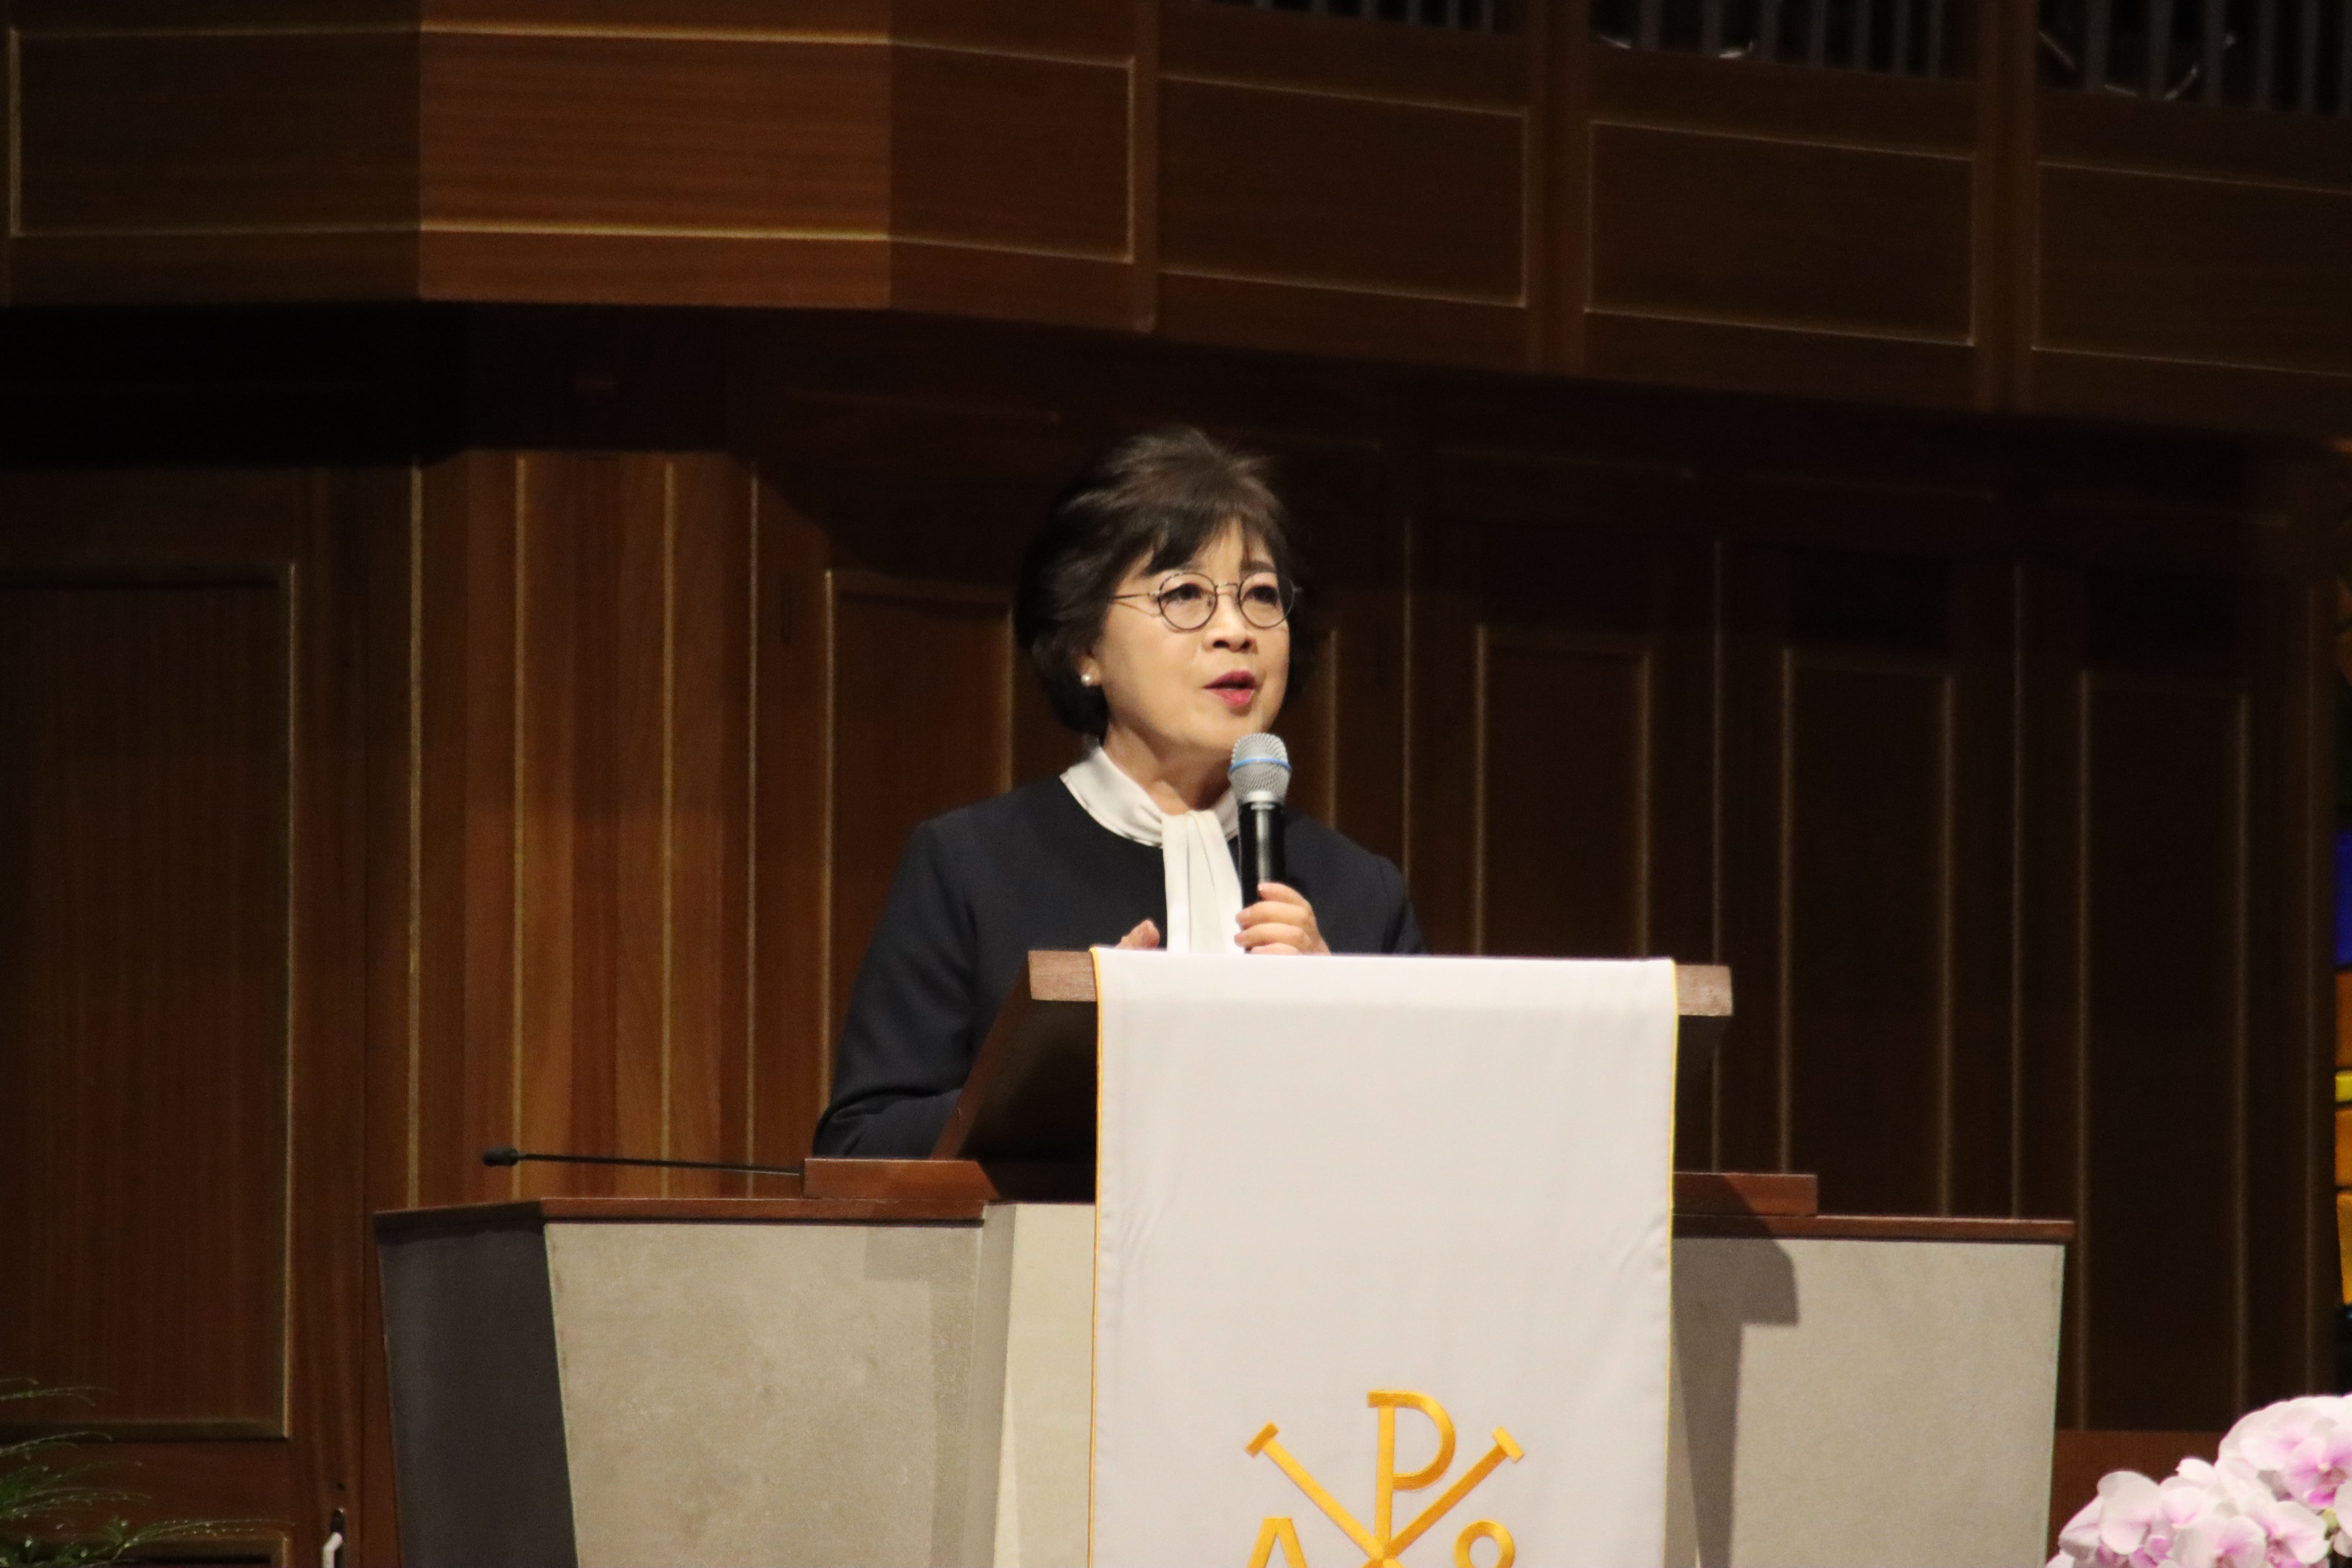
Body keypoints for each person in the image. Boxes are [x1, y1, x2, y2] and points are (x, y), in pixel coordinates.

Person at [811, 426, 1426, 1157]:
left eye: (1261, 595)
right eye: (1185, 595)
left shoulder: (1361, 893)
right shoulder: (970, 865)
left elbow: (1433, 1147)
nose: (1235, 631)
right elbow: (859, 1148)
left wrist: (1345, 1027)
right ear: (1086, 646)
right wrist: (1060, 1061)